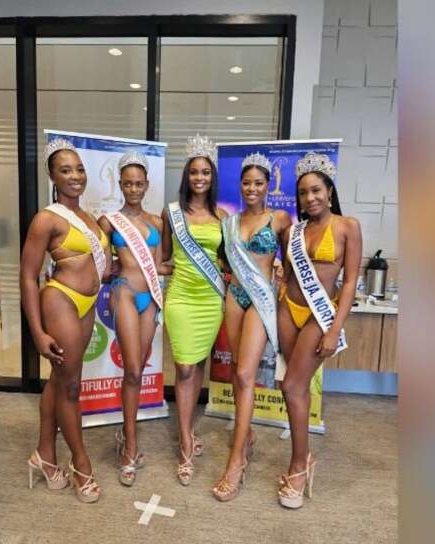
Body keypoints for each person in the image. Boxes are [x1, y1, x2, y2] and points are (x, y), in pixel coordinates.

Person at [20, 138, 112, 503]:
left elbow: (99, 264)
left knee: (60, 380)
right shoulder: (46, 218)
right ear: (52, 176)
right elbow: (28, 276)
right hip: (60, 300)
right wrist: (38, 333)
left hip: (88, 304)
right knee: (71, 386)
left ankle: (44, 454)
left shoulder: (88, 217)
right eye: (66, 170)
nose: (75, 176)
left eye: (79, 169)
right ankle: (81, 464)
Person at [277, 151, 362, 509]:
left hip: (319, 313)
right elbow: (287, 272)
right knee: (291, 386)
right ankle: (302, 457)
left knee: (294, 384)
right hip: (287, 309)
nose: (309, 198)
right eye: (303, 193)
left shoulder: (347, 226)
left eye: (316, 190)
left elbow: (351, 279)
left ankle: (299, 465)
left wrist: (334, 329)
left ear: (329, 190)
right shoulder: (293, 231)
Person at [212, 152, 292, 501]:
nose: (252, 188)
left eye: (259, 183)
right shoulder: (228, 223)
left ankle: (236, 460)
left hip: (261, 300)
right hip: (234, 296)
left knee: (245, 374)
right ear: (240, 185)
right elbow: (221, 257)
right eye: (246, 183)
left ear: (268, 186)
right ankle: (247, 435)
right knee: (235, 371)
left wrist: (281, 281)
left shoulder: (280, 219)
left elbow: (292, 260)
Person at [97, 151, 171, 486]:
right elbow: (99, 266)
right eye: (128, 183)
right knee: (130, 370)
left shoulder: (157, 222)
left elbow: (158, 265)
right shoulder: (109, 221)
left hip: (150, 298)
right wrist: (106, 272)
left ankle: (128, 436)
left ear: (147, 185)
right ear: (120, 184)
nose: (133, 188)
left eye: (139, 183)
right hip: (125, 292)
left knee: (138, 371)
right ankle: (130, 445)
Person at [161, 134, 228, 486]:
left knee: (197, 364)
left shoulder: (223, 215)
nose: (199, 178)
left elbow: (224, 260)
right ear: (186, 177)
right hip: (183, 298)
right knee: (184, 366)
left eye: (205, 173)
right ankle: (186, 442)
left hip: (210, 300)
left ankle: (187, 430)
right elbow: (165, 260)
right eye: (194, 172)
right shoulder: (171, 213)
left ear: (212, 177)